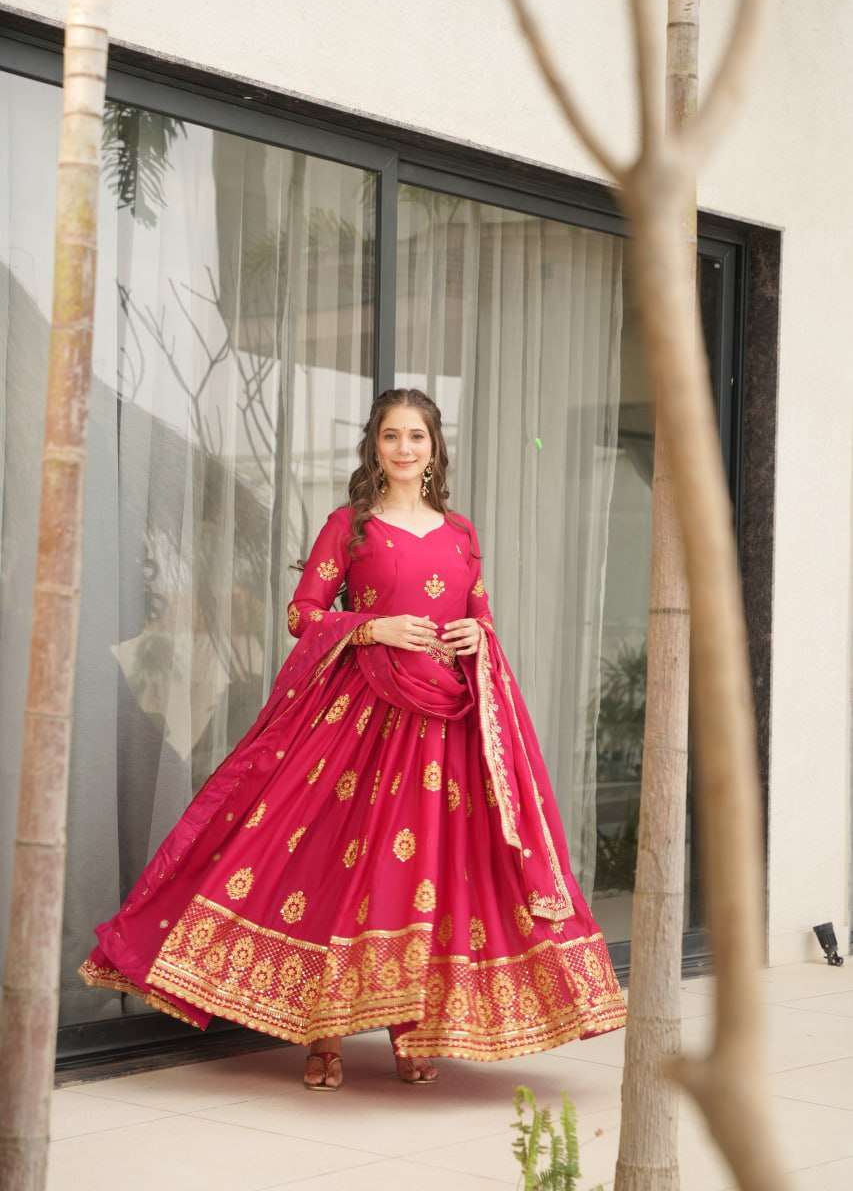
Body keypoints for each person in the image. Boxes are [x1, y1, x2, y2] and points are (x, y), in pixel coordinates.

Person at [79, 387, 627, 1090]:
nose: (404, 448)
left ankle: (415, 1032)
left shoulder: (461, 533)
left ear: (434, 447)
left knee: (428, 877)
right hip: (359, 724)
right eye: (391, 436)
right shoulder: (350, 526)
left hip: (445, 727)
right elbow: (302, 613)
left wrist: (476, 634)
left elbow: (478, 614)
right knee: (339, 868)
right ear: (375, 446)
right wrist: (372, 626)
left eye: (416, 436)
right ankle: (324, 1038)